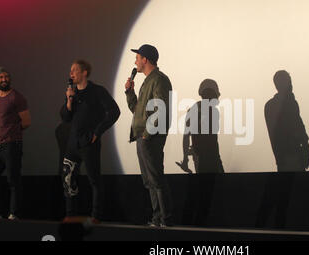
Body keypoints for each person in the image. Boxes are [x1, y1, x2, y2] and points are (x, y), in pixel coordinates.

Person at [60, 59, 120, 223]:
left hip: (89, 142)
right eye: (70, 71)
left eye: (74, 70)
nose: (71, 73)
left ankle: (96, 216)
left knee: (94, 180)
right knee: (68, 178)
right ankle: (70, 215)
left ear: (84, 72)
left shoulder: (97, 91)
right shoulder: (72, 93)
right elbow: (65, 117)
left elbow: (114, 111)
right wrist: (69, 101)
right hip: (73, 143)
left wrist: (97, 132)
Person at [125, 44, 174, 227]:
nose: (135, 61)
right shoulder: (147, 81)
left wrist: (147, 135)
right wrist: (130, 92)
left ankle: (165, 219)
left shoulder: (159, 80)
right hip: (142, 136)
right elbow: (137, 110)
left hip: (150, 137)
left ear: (145, 59)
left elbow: (161, 108)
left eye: (137, 57)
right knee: (149, 181)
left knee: (156, 178)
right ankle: (157, 218)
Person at [0, 66, 31, 220]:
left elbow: (26, 122)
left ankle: (14, 214)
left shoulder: (17, 97)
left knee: (13, 180)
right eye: (1, 77)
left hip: (12, 144)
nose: (4, 79)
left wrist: (12, 132)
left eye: (6, 76)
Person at [264, 70, 309, 172]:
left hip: (286, 157)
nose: (291, 85)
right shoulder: (287, 104)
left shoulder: (272, 106)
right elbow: (297, 128)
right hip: (290, 156)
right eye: (289, 81)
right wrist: (305, 147)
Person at [176, 79, 224, 174]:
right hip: (207, 158)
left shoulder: (196, 110)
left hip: (205, 156)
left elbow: (186, 136)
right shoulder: (212, 112)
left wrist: (186, 158)